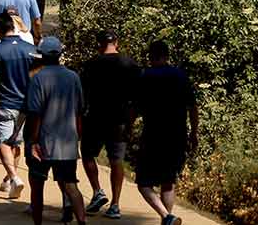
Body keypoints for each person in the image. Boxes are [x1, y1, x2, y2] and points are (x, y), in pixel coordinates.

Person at [24, 36, 88, 225]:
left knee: (37, 186)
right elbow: (80, 110)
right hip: (67, 141)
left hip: (43, 142)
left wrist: (33, 141)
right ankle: (82, 221)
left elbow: (35, 113)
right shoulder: (73, 77)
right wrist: (77, 136)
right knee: (71, 185)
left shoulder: (38, 79)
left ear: (41, 55)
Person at [134, 40, 198, 225]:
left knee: (143, 183)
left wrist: (128, 127)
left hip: (152, 136)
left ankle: (166, 216)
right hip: (177, 136)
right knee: (168, 182)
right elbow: (193, 107)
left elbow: (134, 108)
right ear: (167, 55)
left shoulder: (145, 76)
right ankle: (167, 221)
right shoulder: (180, 76)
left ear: (150, 56)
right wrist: (194, 133)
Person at [80, 30, 139, 219]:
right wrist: (131, 124)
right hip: (119, 120)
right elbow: (135, 99)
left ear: (99, 44)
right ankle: (115, 204)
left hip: (95, 118)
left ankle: (97, 191)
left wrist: (79, 119)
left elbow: (82, 96)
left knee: (87, 155)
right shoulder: (130, 65)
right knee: (116, 161)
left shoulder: (91, 65)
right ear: (117, 43)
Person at [0, 11, 37, 198]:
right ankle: (10, 180)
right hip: (26, 104)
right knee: (16, 142)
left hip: (5, 102)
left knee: (3, 142)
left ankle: (14, 177)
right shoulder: (30, 49)